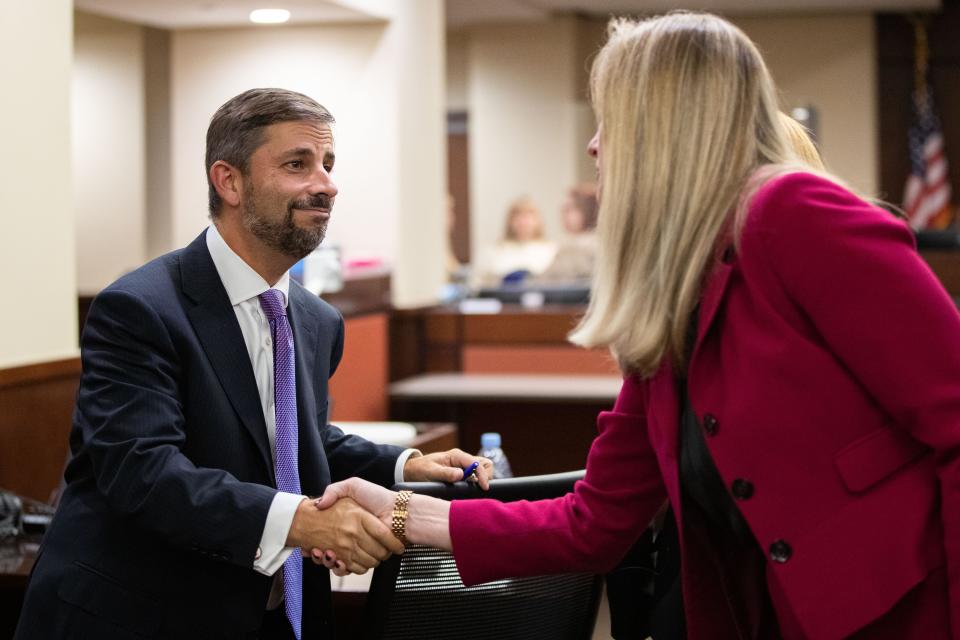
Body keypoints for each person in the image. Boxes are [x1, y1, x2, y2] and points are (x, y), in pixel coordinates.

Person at [311, 13, 960, 639]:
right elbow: (593, 523)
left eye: (609, 120)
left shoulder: (796, 214)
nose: (593, 145)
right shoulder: (678, 288)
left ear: (669, 123)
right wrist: (398, 510)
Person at [15, 88, 491, 640]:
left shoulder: (316, 321)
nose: (326, 184)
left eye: (328, 165)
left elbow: (290, 444)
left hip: (270, 614)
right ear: (229, 181)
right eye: (298, 164)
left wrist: (406, 466)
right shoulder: (140, 308)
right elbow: (143, 472)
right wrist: (302, 521)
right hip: (139, 615)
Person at [475, 196, 557, 286]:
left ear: (538, 220)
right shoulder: (492, 252)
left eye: (528, 215)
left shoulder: (552, 251)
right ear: (510, 220)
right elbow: (480, 283)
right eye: (518, 215)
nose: (523, 221)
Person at [536, 183, 599, 283]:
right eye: (563, 209)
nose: (563, 214)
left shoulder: (594, 247)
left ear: (588, 209)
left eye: (570, 209)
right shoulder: (567, 245)